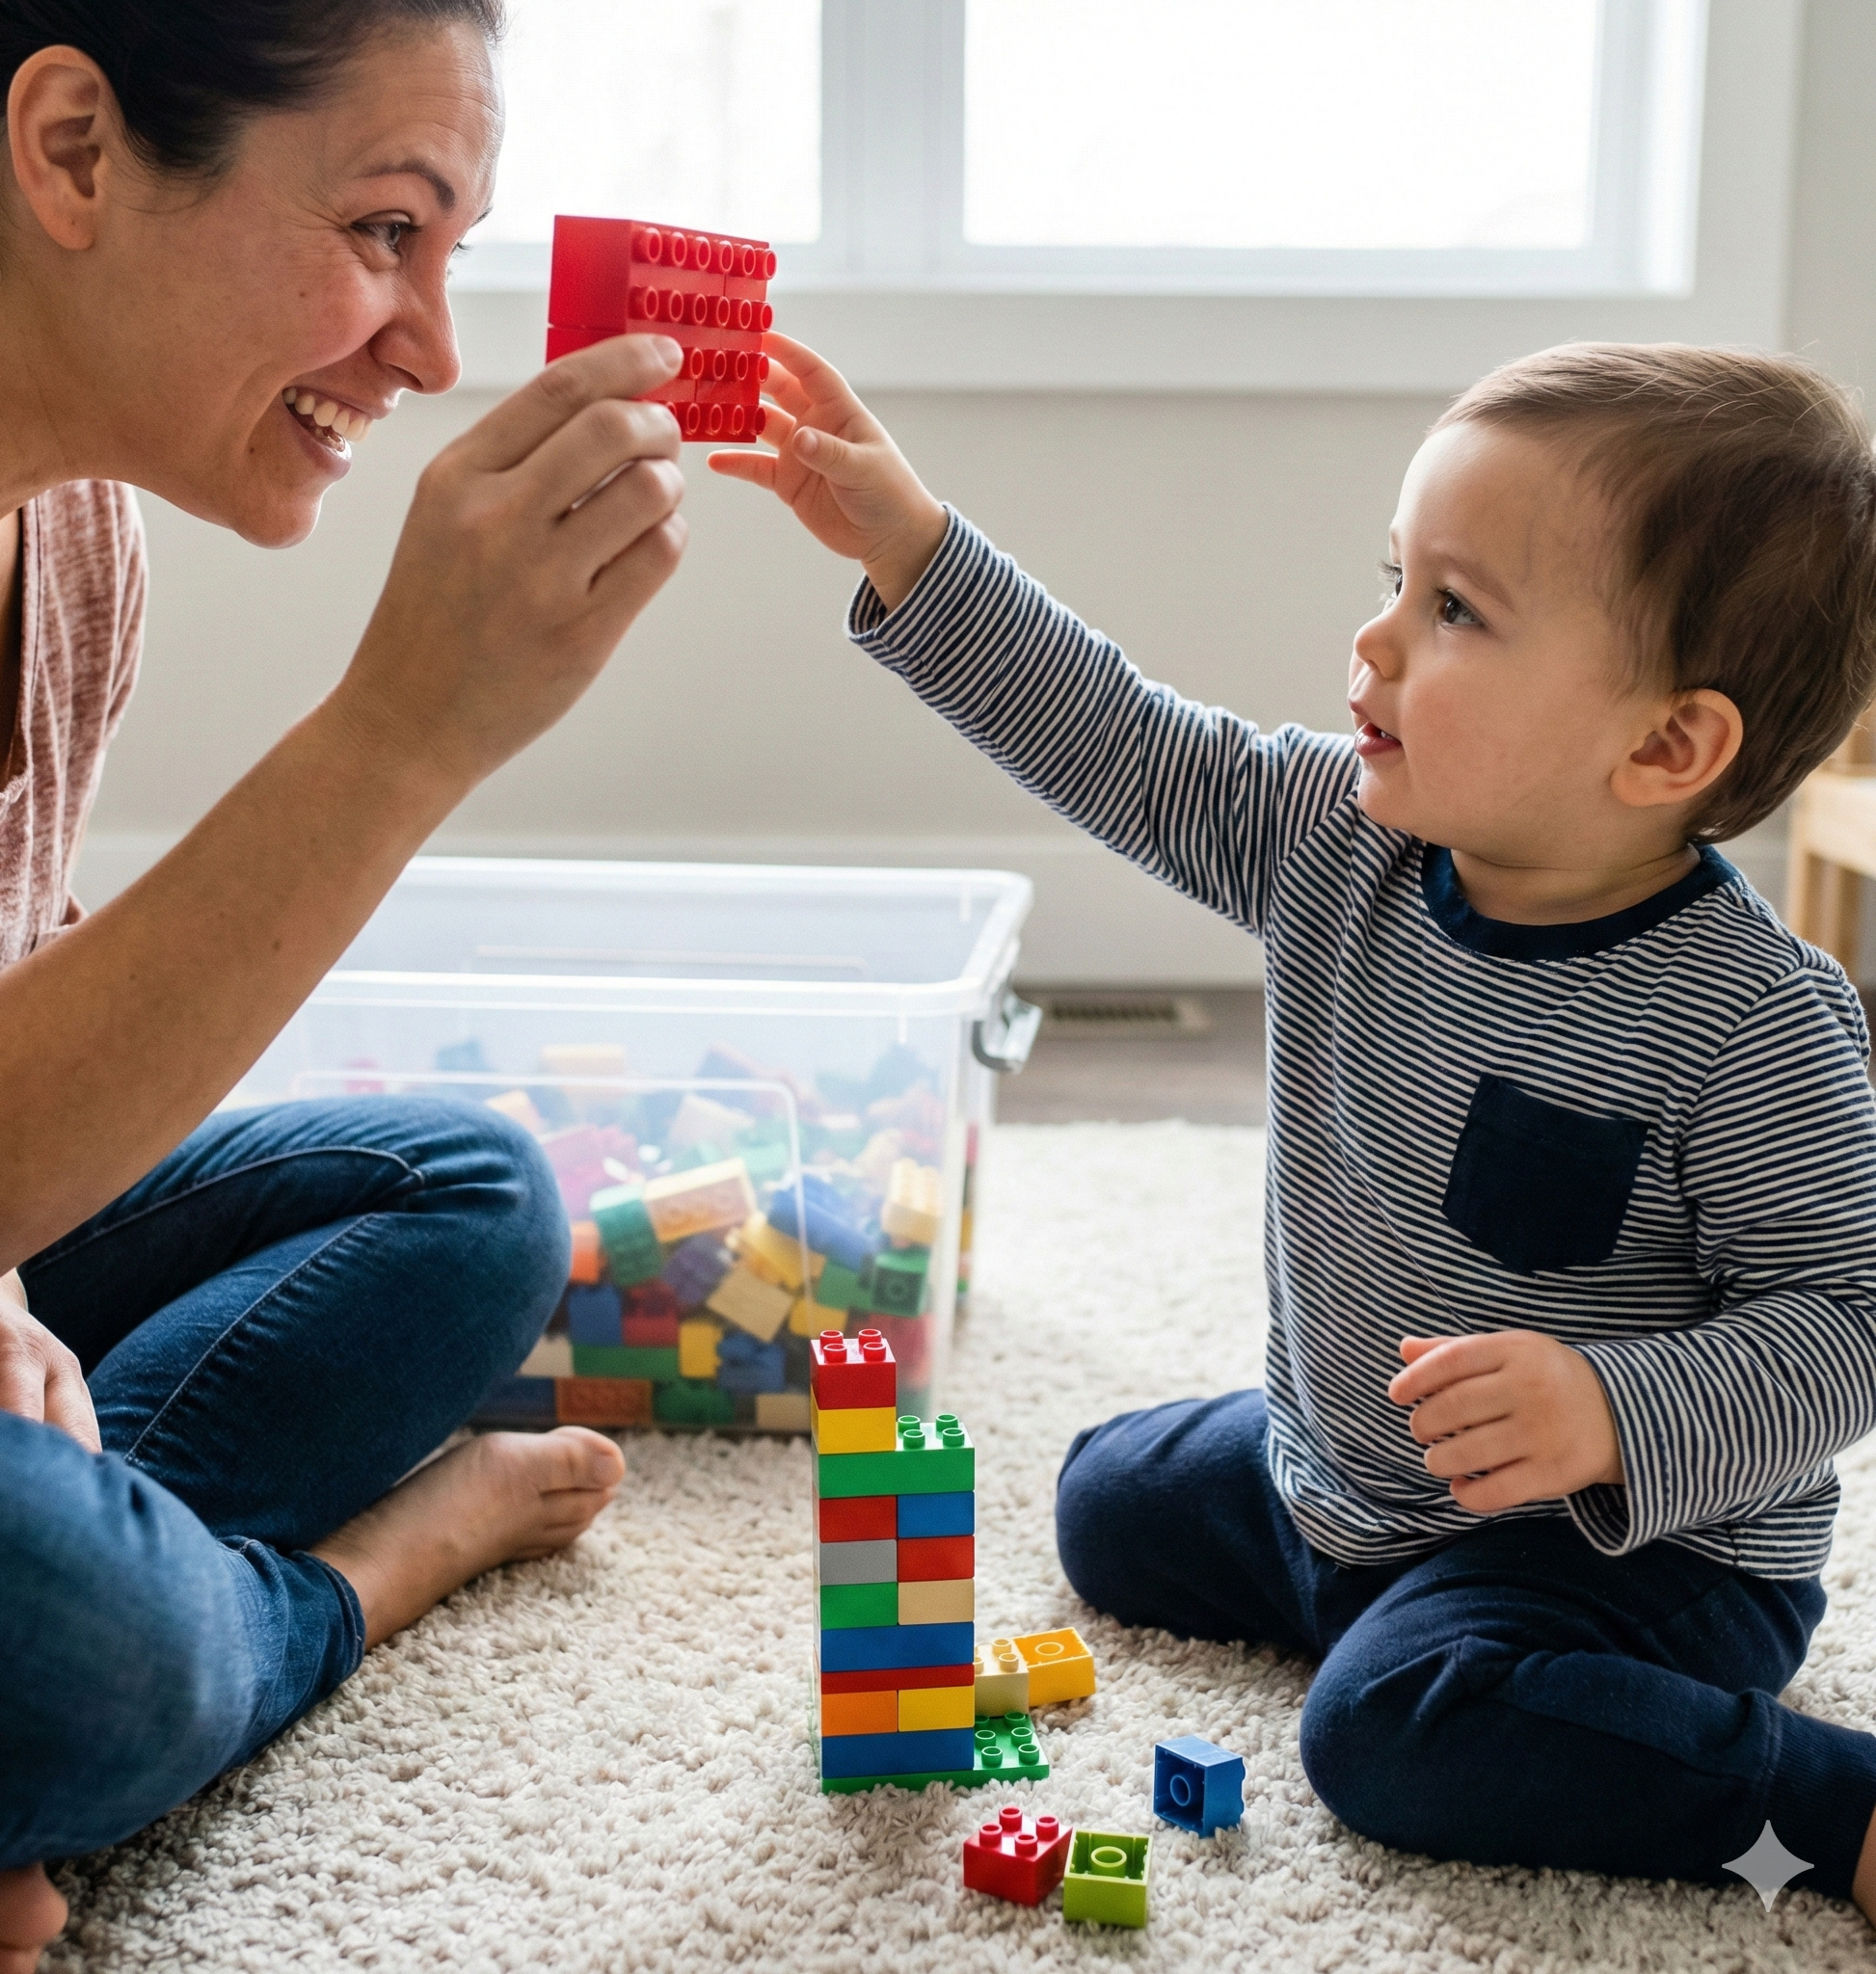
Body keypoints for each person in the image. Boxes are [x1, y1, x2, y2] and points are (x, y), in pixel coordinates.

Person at [715, 333, 1876, 1915]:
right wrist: (908, 542)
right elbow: (1120, 739)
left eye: (1454, 611)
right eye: (1396, 579)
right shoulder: (1338, 839)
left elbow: (1846, 1324)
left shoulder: (1753, 1024)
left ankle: (1837, 1808)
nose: (1375, 641)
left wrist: (1614, 1408)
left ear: (1666, 746)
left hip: (1631, 1558)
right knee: (1104, 1504)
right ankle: (1371, 1581)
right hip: (1352, 1473)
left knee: (1391, 1736)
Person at [0, 6, 693, 1967]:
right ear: (75, 147)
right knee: (62, 1631)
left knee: (467, 1195)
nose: (428, 348)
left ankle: (36, 1681)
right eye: (384, 231)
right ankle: (333, 1585)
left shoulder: (64, 535)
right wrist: (400, 738)